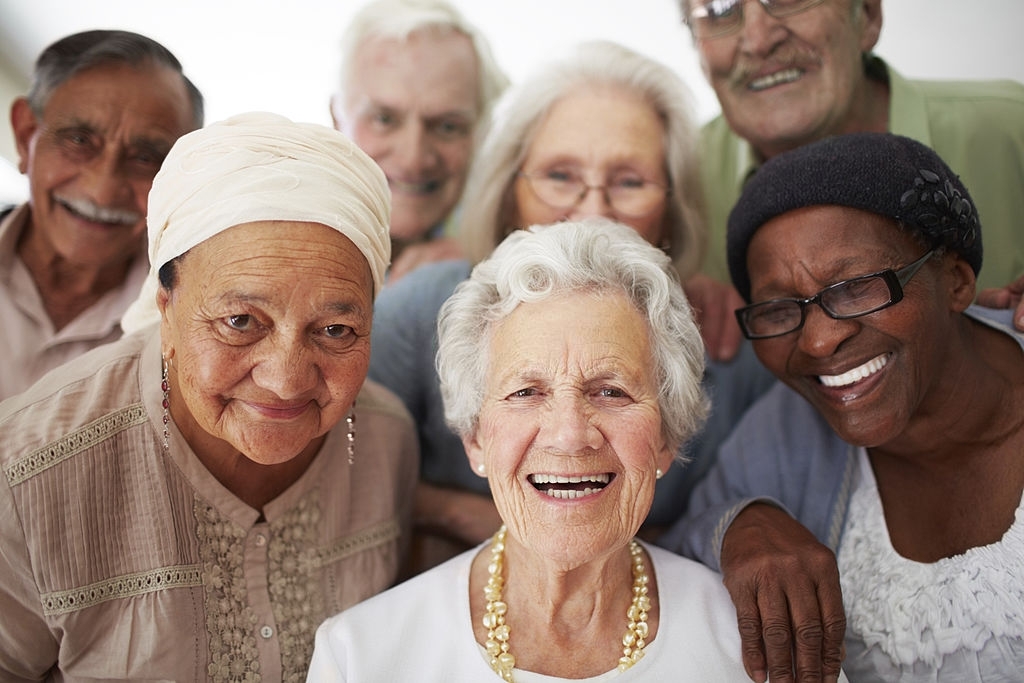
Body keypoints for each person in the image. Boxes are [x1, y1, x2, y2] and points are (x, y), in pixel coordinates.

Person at [0, 112, 418, 681]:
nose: (287, 379)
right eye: (241, 320)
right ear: (166, 309)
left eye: (336, 330)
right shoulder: (27, 475)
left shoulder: (386, 439)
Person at [367, 40, 775, 574]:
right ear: (509, 191)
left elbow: (738, 523)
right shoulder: (421, 308)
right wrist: (485, 518)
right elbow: (346, 476)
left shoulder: (725, 348)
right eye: (560, 176)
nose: (593, 211)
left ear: (674, 211)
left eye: (630, 182)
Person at [307, 219, 764, 681]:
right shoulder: (361, 655)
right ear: (475, 438)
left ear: (666, 438)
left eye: (611, 391)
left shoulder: (755, 646)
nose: (569, 435)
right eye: (526, 393)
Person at [665, 132, 1024, 682]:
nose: (817, 342)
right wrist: (744, 525)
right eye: (780, 308)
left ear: (956, 279)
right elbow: (678, 540)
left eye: (856, 286)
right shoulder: (784, 433)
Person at [678, 0, 1024, 358]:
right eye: (719, 8)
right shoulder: (670, 185)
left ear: (869, 16)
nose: (758, 39)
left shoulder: (1014, 129)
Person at [0, 29, 203, 402]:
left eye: (144, 158)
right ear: (25, 134)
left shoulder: (197, 321)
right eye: (78, 140)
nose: (103, 190)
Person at [330, 0, 509, 282]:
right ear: (337, 119)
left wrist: (488, 261)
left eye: (448, 126)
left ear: (482, 133)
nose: (413, 159)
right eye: (384, 119)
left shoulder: (506, 251)